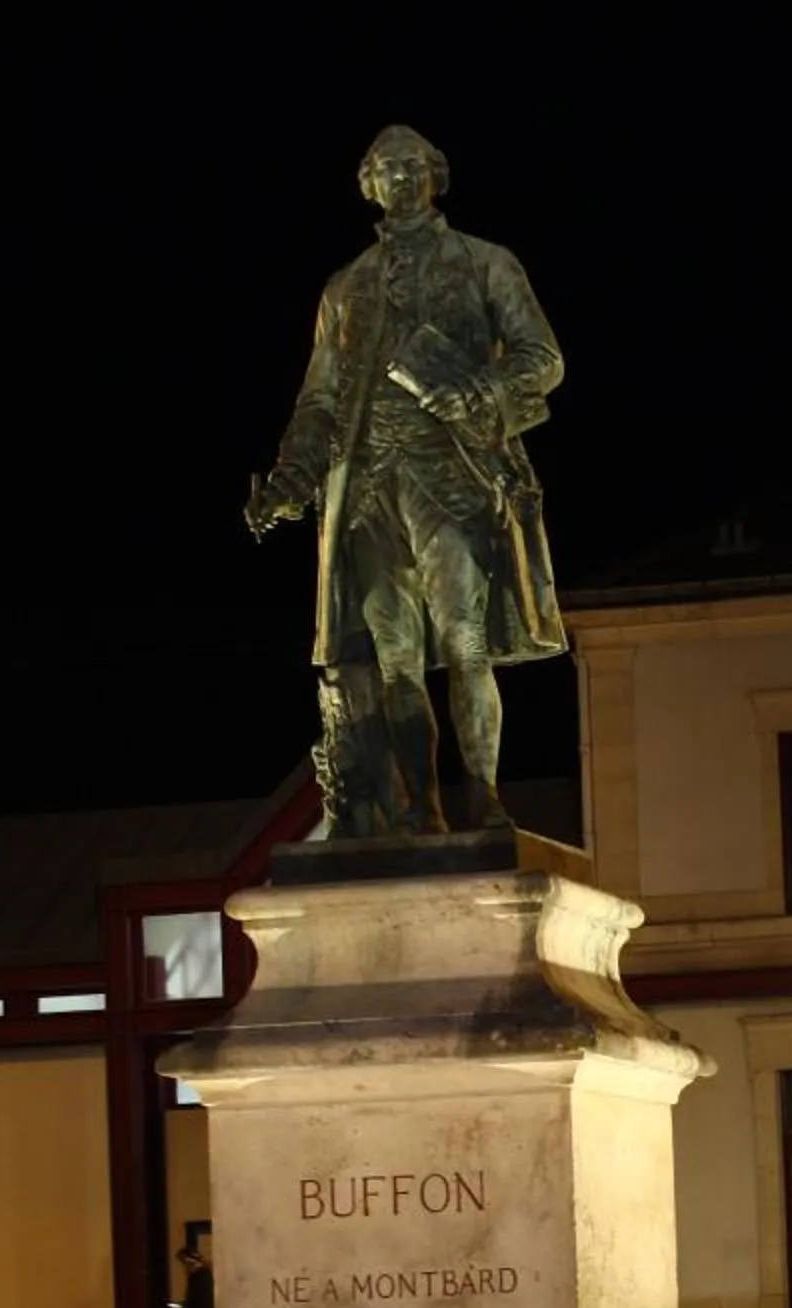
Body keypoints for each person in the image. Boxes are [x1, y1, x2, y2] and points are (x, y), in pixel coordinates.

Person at [245, 124, 566, 840]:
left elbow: (543, 359)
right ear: (367, 183)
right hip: (367, 486)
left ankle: (483, 796)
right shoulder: (346, 288)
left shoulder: (485, 263)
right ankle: (421, 806)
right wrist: (291, 478)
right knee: (393, 659)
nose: (398, 178)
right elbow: (319, 400)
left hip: (452, 470)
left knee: (463, 641)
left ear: (437, 176)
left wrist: (479, 394)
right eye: (384, 169)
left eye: (411, 166)